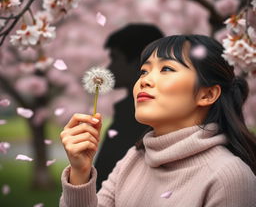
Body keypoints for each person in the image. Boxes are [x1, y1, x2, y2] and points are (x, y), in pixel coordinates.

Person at [59, 34, 256, 207]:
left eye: (167, 69)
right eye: (144, 71)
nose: (144, 80)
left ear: (207, 94)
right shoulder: (135, 159)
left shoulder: (229, 178)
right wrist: (80, 171)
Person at [94, 23, 164, 190]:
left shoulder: (140, 118)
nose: (109, 67)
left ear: (140, 62)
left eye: (115, 58)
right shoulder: (129, 111)